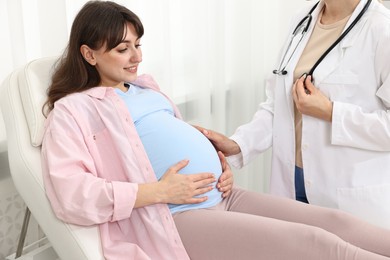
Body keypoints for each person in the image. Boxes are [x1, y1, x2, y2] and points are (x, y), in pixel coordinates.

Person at [41, 1, 390, 259]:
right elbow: (73, 196)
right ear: (88, 54)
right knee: (320, 246)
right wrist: (159, 192)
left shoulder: (146, 89)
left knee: (334, 222)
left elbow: (166, 147)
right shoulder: (73, 111)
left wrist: (219, 161)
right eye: (122, 49)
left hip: (223, 195)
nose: (136, 57)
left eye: (138, 45)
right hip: (176, 214)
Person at [196, 0, 390, 228]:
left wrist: (331, 112)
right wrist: (238, 144)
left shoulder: (382, 29)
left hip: (348, 194)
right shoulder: (302, 19)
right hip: (292, 183)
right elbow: (278, 105)